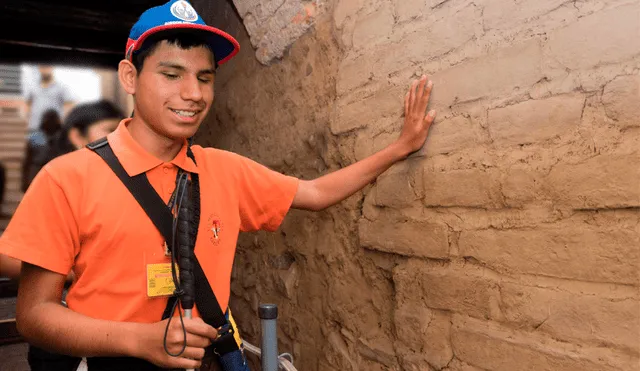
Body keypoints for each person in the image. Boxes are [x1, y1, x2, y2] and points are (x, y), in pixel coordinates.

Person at [0, 1, 437, 370]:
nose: (193, 93)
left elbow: (316, 193)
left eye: (205, 78)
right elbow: (33, 316)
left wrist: (399, 148)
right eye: (171, 75)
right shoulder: (67, 178)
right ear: (130, 77)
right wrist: (140, 340)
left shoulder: (224, 170)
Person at [22, 109, 62, 192]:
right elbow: (27, 160)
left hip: (56, 173)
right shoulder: (34, 137)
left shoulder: (63, 138)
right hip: (36, 171)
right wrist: (25, 181)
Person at [25, 65, 70, 133]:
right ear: (39, 69)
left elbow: (68, 106)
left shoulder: (61, 87)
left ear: (52, 67)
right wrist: (28, 119)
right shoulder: (32, 86)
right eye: (42, 67)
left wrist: (62, 123)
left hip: (53, 130)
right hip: (34, 128)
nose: (45, 69)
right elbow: (28, 104)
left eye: (47, 66)